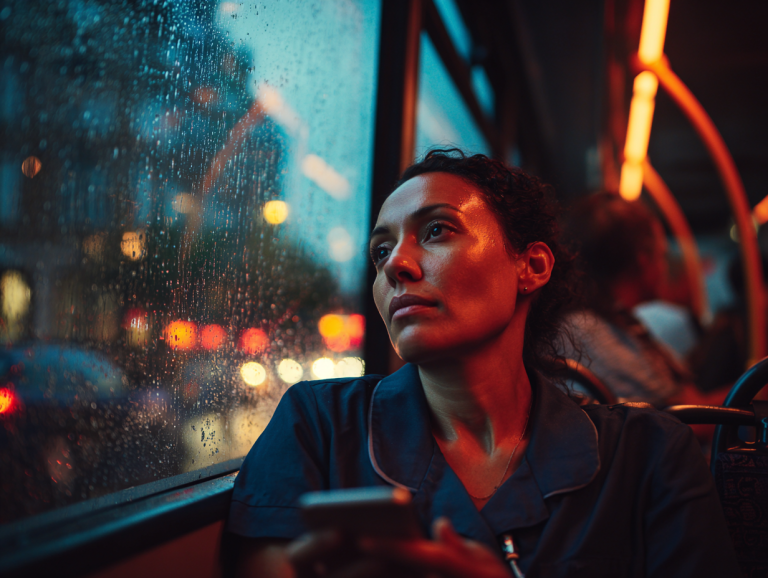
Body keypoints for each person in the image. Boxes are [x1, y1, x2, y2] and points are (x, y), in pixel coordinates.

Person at [225, 151, 738, 577]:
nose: (396, 266)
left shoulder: (647, 454)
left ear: (530, 266)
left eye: (436, 231)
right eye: (381, 252)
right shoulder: (318, 424)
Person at [561, 192, 729, 409]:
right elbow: (682, 419)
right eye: (661, 255)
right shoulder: (586, 330)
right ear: (643, 259)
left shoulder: (614, 320)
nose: (664, 267)